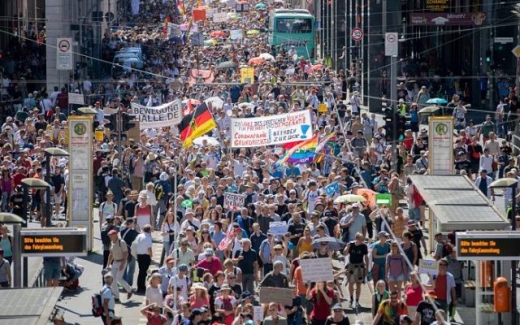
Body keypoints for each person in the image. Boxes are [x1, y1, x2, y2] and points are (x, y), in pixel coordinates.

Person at [337, 232, 368, 308]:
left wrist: (367, 266)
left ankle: (357, 300)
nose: (362, 241)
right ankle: (351, 299)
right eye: (361, 240)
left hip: (360, 266)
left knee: (359, 284)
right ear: (357, 239)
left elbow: (366, 256)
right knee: (351, 283)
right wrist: (347, 247)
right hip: (352, 266)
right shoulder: (351, 245)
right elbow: (344, 254)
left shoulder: (364, 246)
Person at [106, 229, 133, 301]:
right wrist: (108, 264)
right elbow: (111, 254)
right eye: (109, 235)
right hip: (115, 262)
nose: (110, 237)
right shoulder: (111, 242)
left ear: (115, 235)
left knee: (118, 278)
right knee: (113, 279)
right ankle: (116, 296)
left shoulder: (122, 242)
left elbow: (126, 253)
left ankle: (129, 290)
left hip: (122, 262)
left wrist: (123, 264)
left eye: (111, 235)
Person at [135, 224, 154, 293]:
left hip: (139, 255)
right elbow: (149, 249)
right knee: (143, 272)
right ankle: (141, 287)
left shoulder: (139, 236)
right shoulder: (148, 237)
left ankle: (140, 286)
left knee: (141, 271)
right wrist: (151, 256)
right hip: (145, 256)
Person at [121, 218, 139, 286]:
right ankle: (129, 283)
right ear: (130, 223)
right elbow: (139, 235)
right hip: (131, 251)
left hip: (124, 250)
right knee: (131, 268)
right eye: (133, 223)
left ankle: (123, 283)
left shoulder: (122, 231)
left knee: (124, 268)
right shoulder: (133, 232)